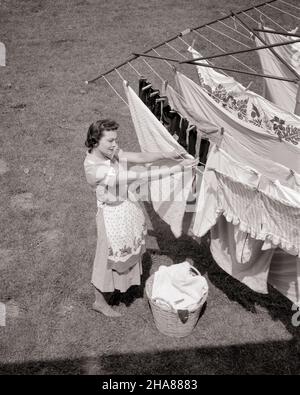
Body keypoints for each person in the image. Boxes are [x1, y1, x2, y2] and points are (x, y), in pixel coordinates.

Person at [84, 119, 197, 317]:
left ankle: (117, 290)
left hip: (126, 208)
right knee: (107, 260)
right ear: (95, 141)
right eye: (110, 140)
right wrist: (178, 168)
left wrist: (166, 155)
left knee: (129, 251)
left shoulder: (109, 153)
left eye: (115, 140)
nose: (115, 145)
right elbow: (138, 176)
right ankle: (99, 302)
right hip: (111, 215)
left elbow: (136, 157)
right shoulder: (94, 167)